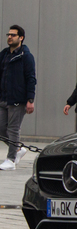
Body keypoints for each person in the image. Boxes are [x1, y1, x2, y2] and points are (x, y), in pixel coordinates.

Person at [0, 25, 36, 171]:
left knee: (13, 129)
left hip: (17, 99)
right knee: (1, 128)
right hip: (3, 98)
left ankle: (11, 160)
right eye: (9, 34)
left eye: (13, 35)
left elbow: (31, 78)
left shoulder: (26, 56)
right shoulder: (3, 54)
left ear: (21, 38)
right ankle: (18, 150)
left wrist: (30, 100)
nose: (9, 37)